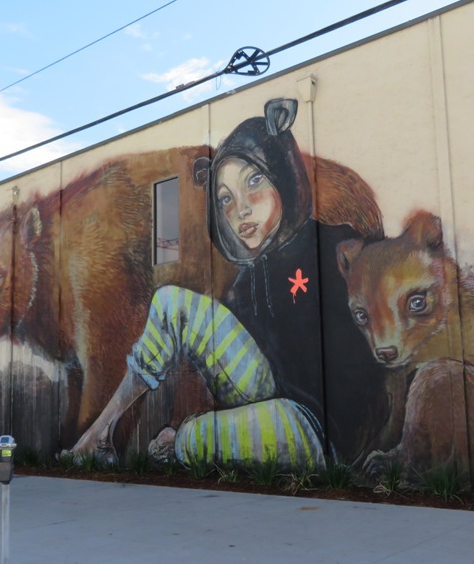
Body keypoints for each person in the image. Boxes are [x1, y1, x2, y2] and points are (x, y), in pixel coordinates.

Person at [68, 98, 385, 468]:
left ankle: (181, 443)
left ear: (283, 172)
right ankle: (99, 434)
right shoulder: (247, 283)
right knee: (170, 302)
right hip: (273, 396)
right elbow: (229, 366)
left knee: (192, 437)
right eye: (225, 199)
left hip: (325, 427)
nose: (241, 210)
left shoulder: (336, 246)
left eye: (254, 181)